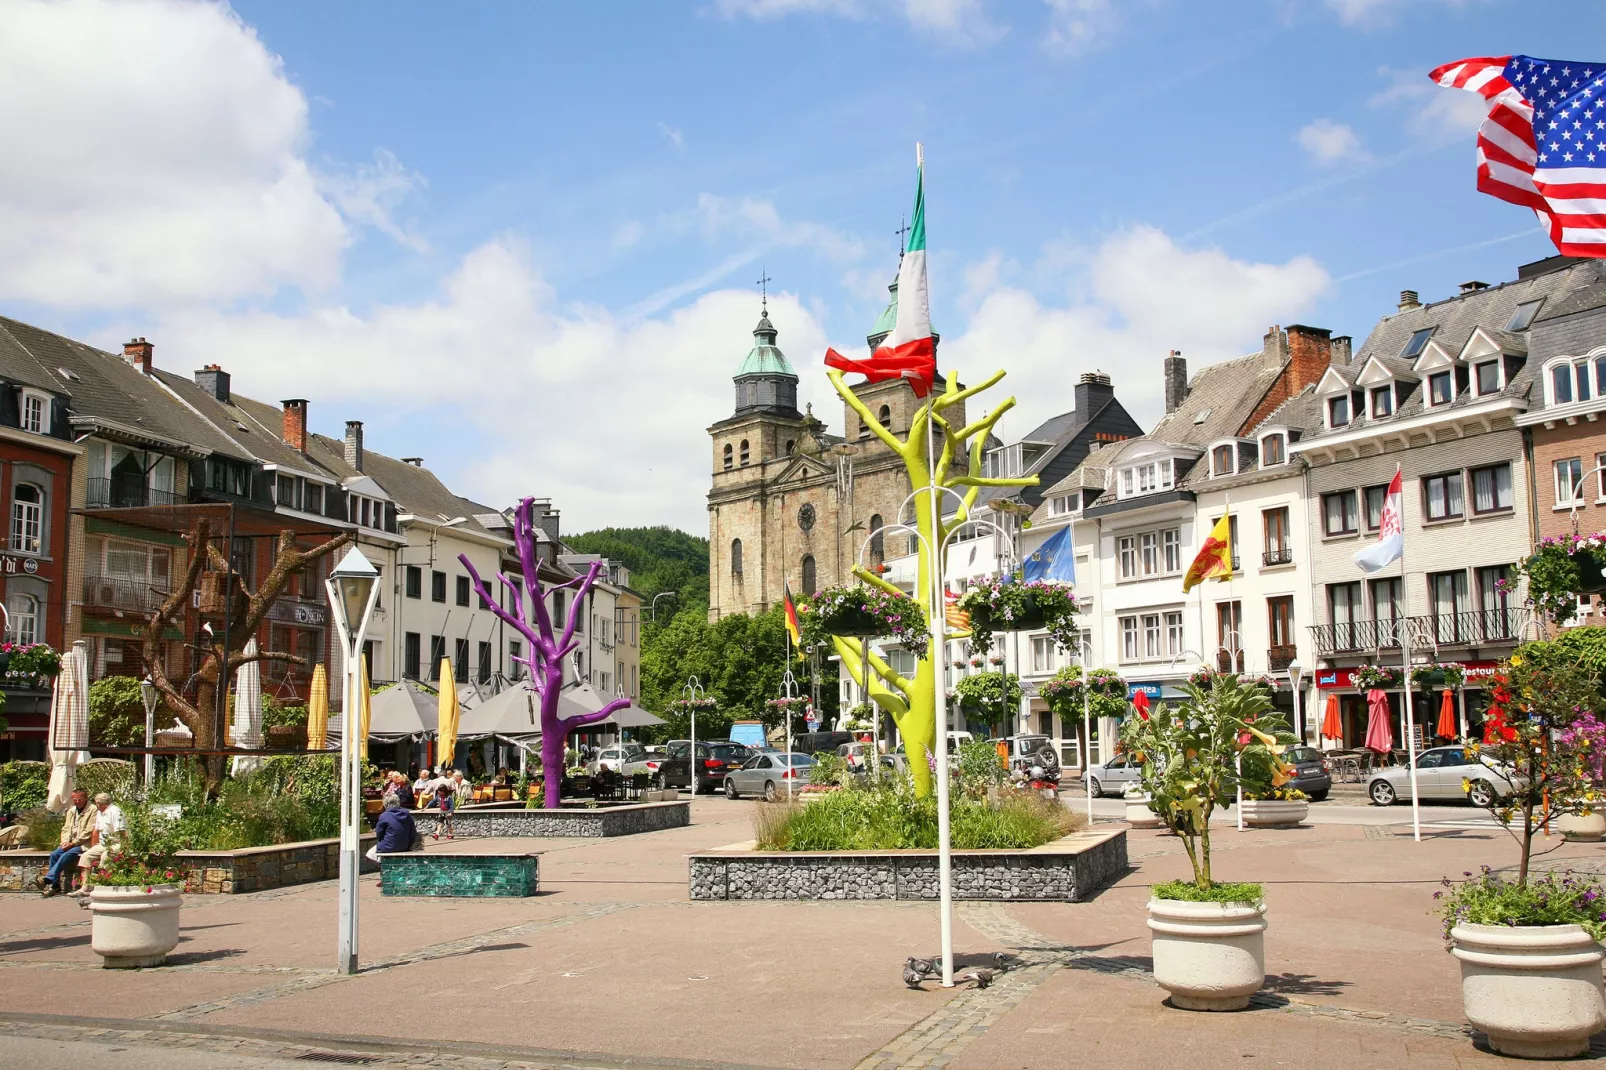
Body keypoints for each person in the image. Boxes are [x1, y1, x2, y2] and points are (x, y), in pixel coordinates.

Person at [38, 788, 95, 897]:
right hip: (69, 843)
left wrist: (73, 843)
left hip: (83, 844)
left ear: (85, 798)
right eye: (74, 799)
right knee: (54, 854)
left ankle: (47, 880)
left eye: (79, 799)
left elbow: (88, 831)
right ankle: (55, 886)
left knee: (67, 855)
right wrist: (64, 841)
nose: (77, 801)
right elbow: (66, 828)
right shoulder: (72, 811)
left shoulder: (93, 810)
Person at [74, 793, 126, 896]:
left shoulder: (115, 812)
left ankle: (103, 885)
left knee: (105, 856)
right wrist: (94, 848)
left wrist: (124, 849)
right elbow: (96, 831)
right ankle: (85, 887)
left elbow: (122, 833)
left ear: (104, 803)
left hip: (116, 843)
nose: (96, 805)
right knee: (85, 856)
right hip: (103, 844)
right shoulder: (100, 813)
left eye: (98, 803)